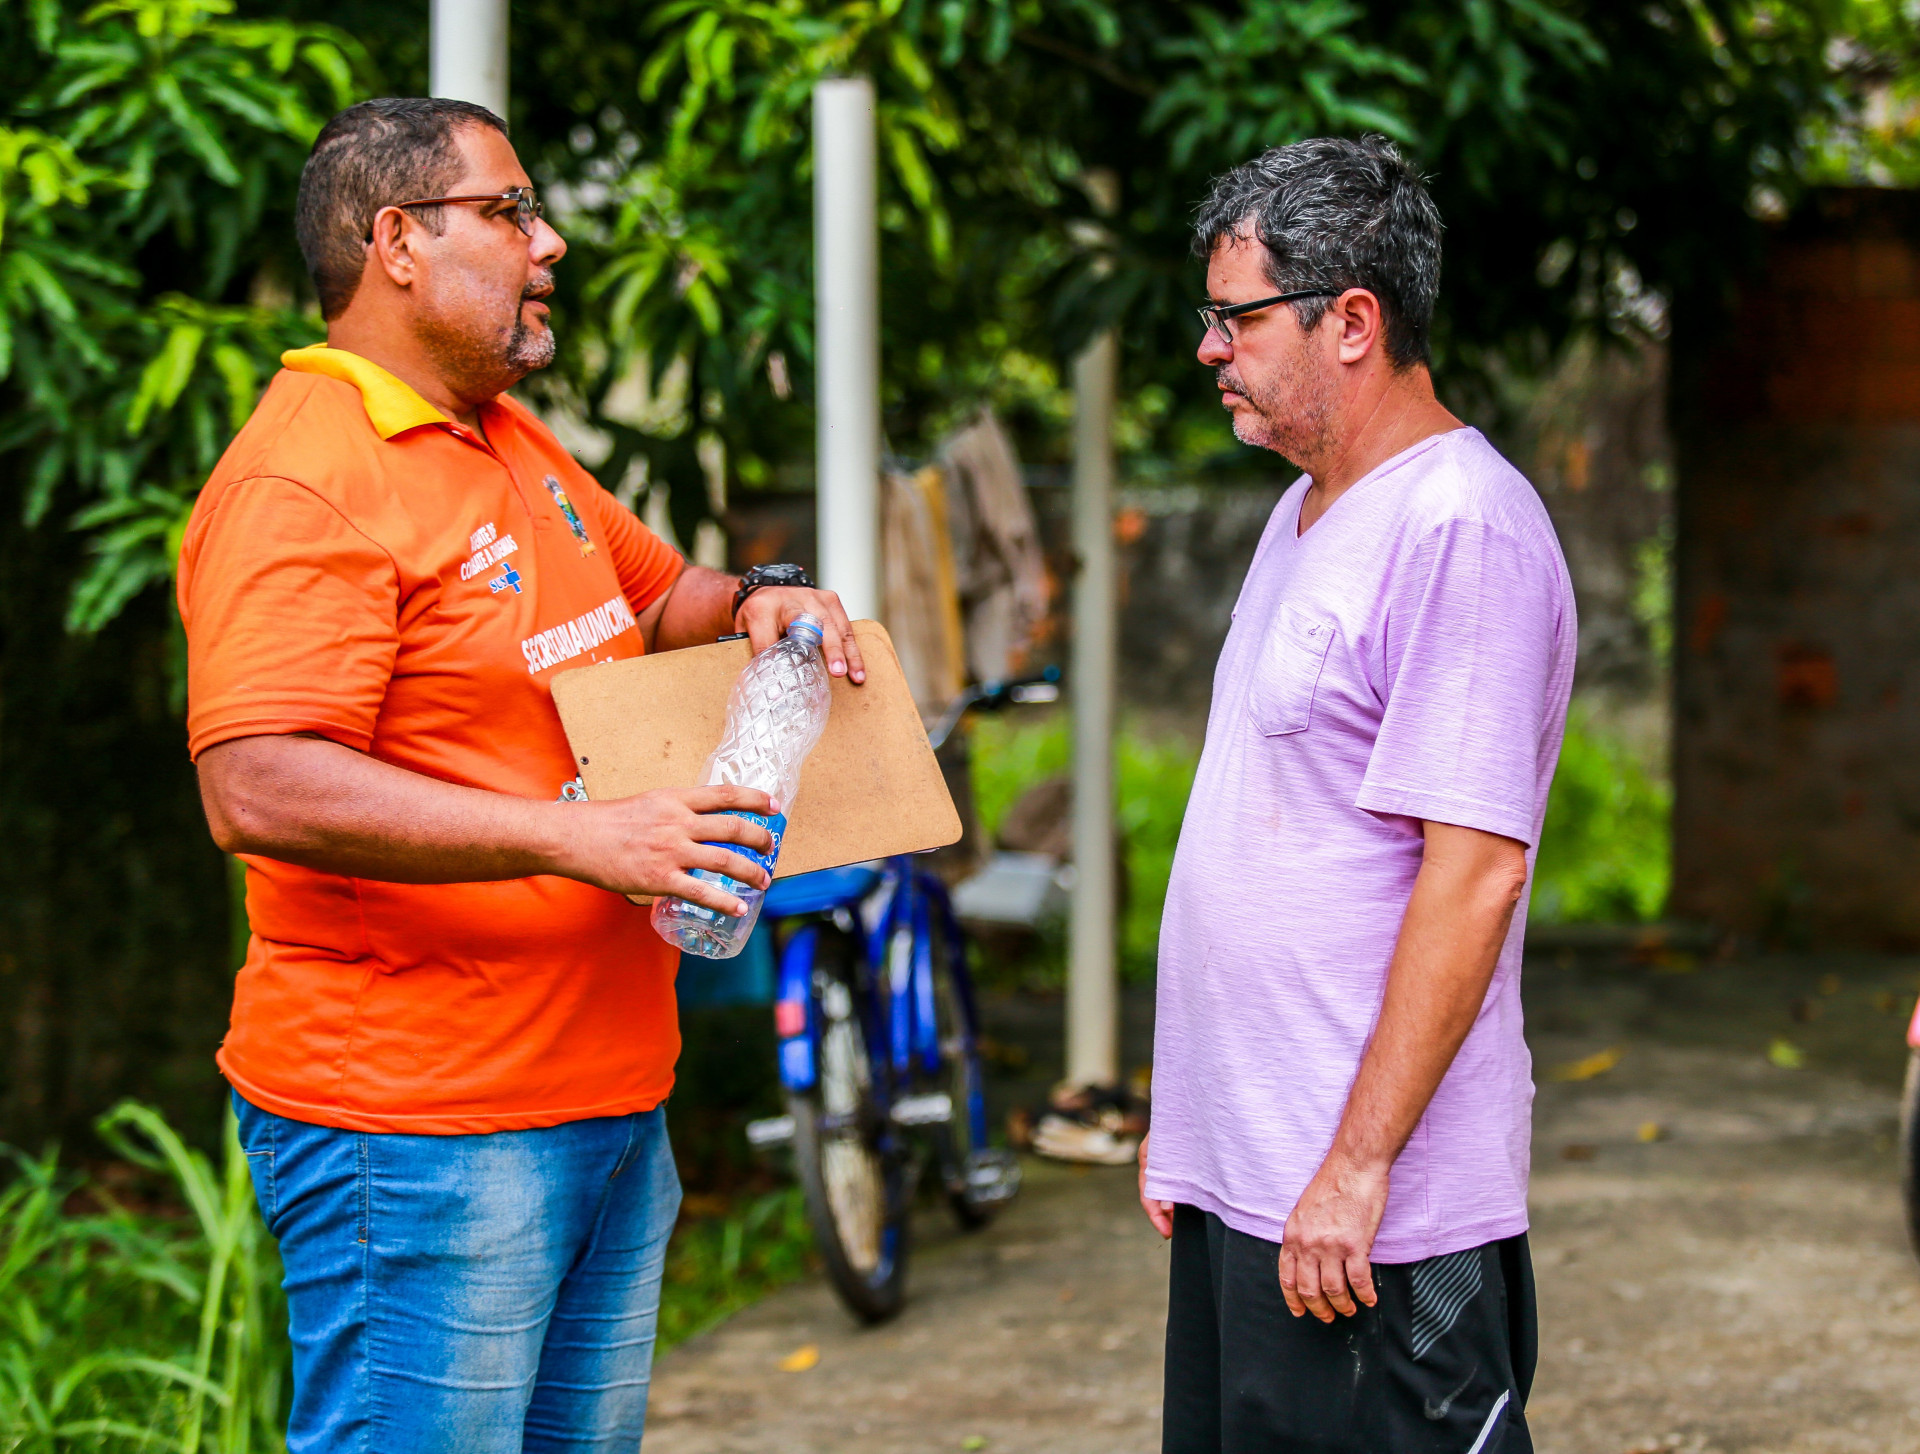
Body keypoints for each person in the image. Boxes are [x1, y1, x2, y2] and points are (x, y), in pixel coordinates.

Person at [178, 97, 863, 1453]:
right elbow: (256, 782)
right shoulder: (309, 477)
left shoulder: (509, 443)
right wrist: (580, 840)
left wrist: (764, 604)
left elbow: (665, 597)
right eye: (510, 212)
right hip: (426, 1132)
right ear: (399, 243)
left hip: (606, 1100)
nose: (548, 244)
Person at [1137, 136, 1575, 1453]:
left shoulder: (1462, 527)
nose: (1211, 347)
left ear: (1352, 322)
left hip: (1373, 1222)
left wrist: (1356, 1165)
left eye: (1237, 315)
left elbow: (1475, 870)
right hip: (1255, 1188)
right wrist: (1189, 1127)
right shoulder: (1306, 513)